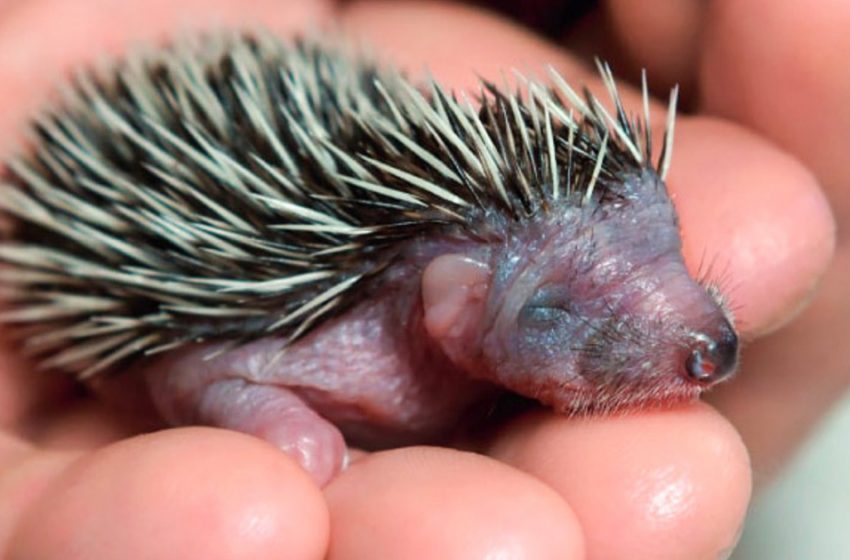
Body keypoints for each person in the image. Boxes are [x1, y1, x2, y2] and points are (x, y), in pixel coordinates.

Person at [0, 1, 845, 558]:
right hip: (133, 192)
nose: (702, 331)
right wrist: (257, 411)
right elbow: (191, 362)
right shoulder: (306, 335)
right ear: (453, 309)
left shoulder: (470, 285)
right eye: (557, 312)